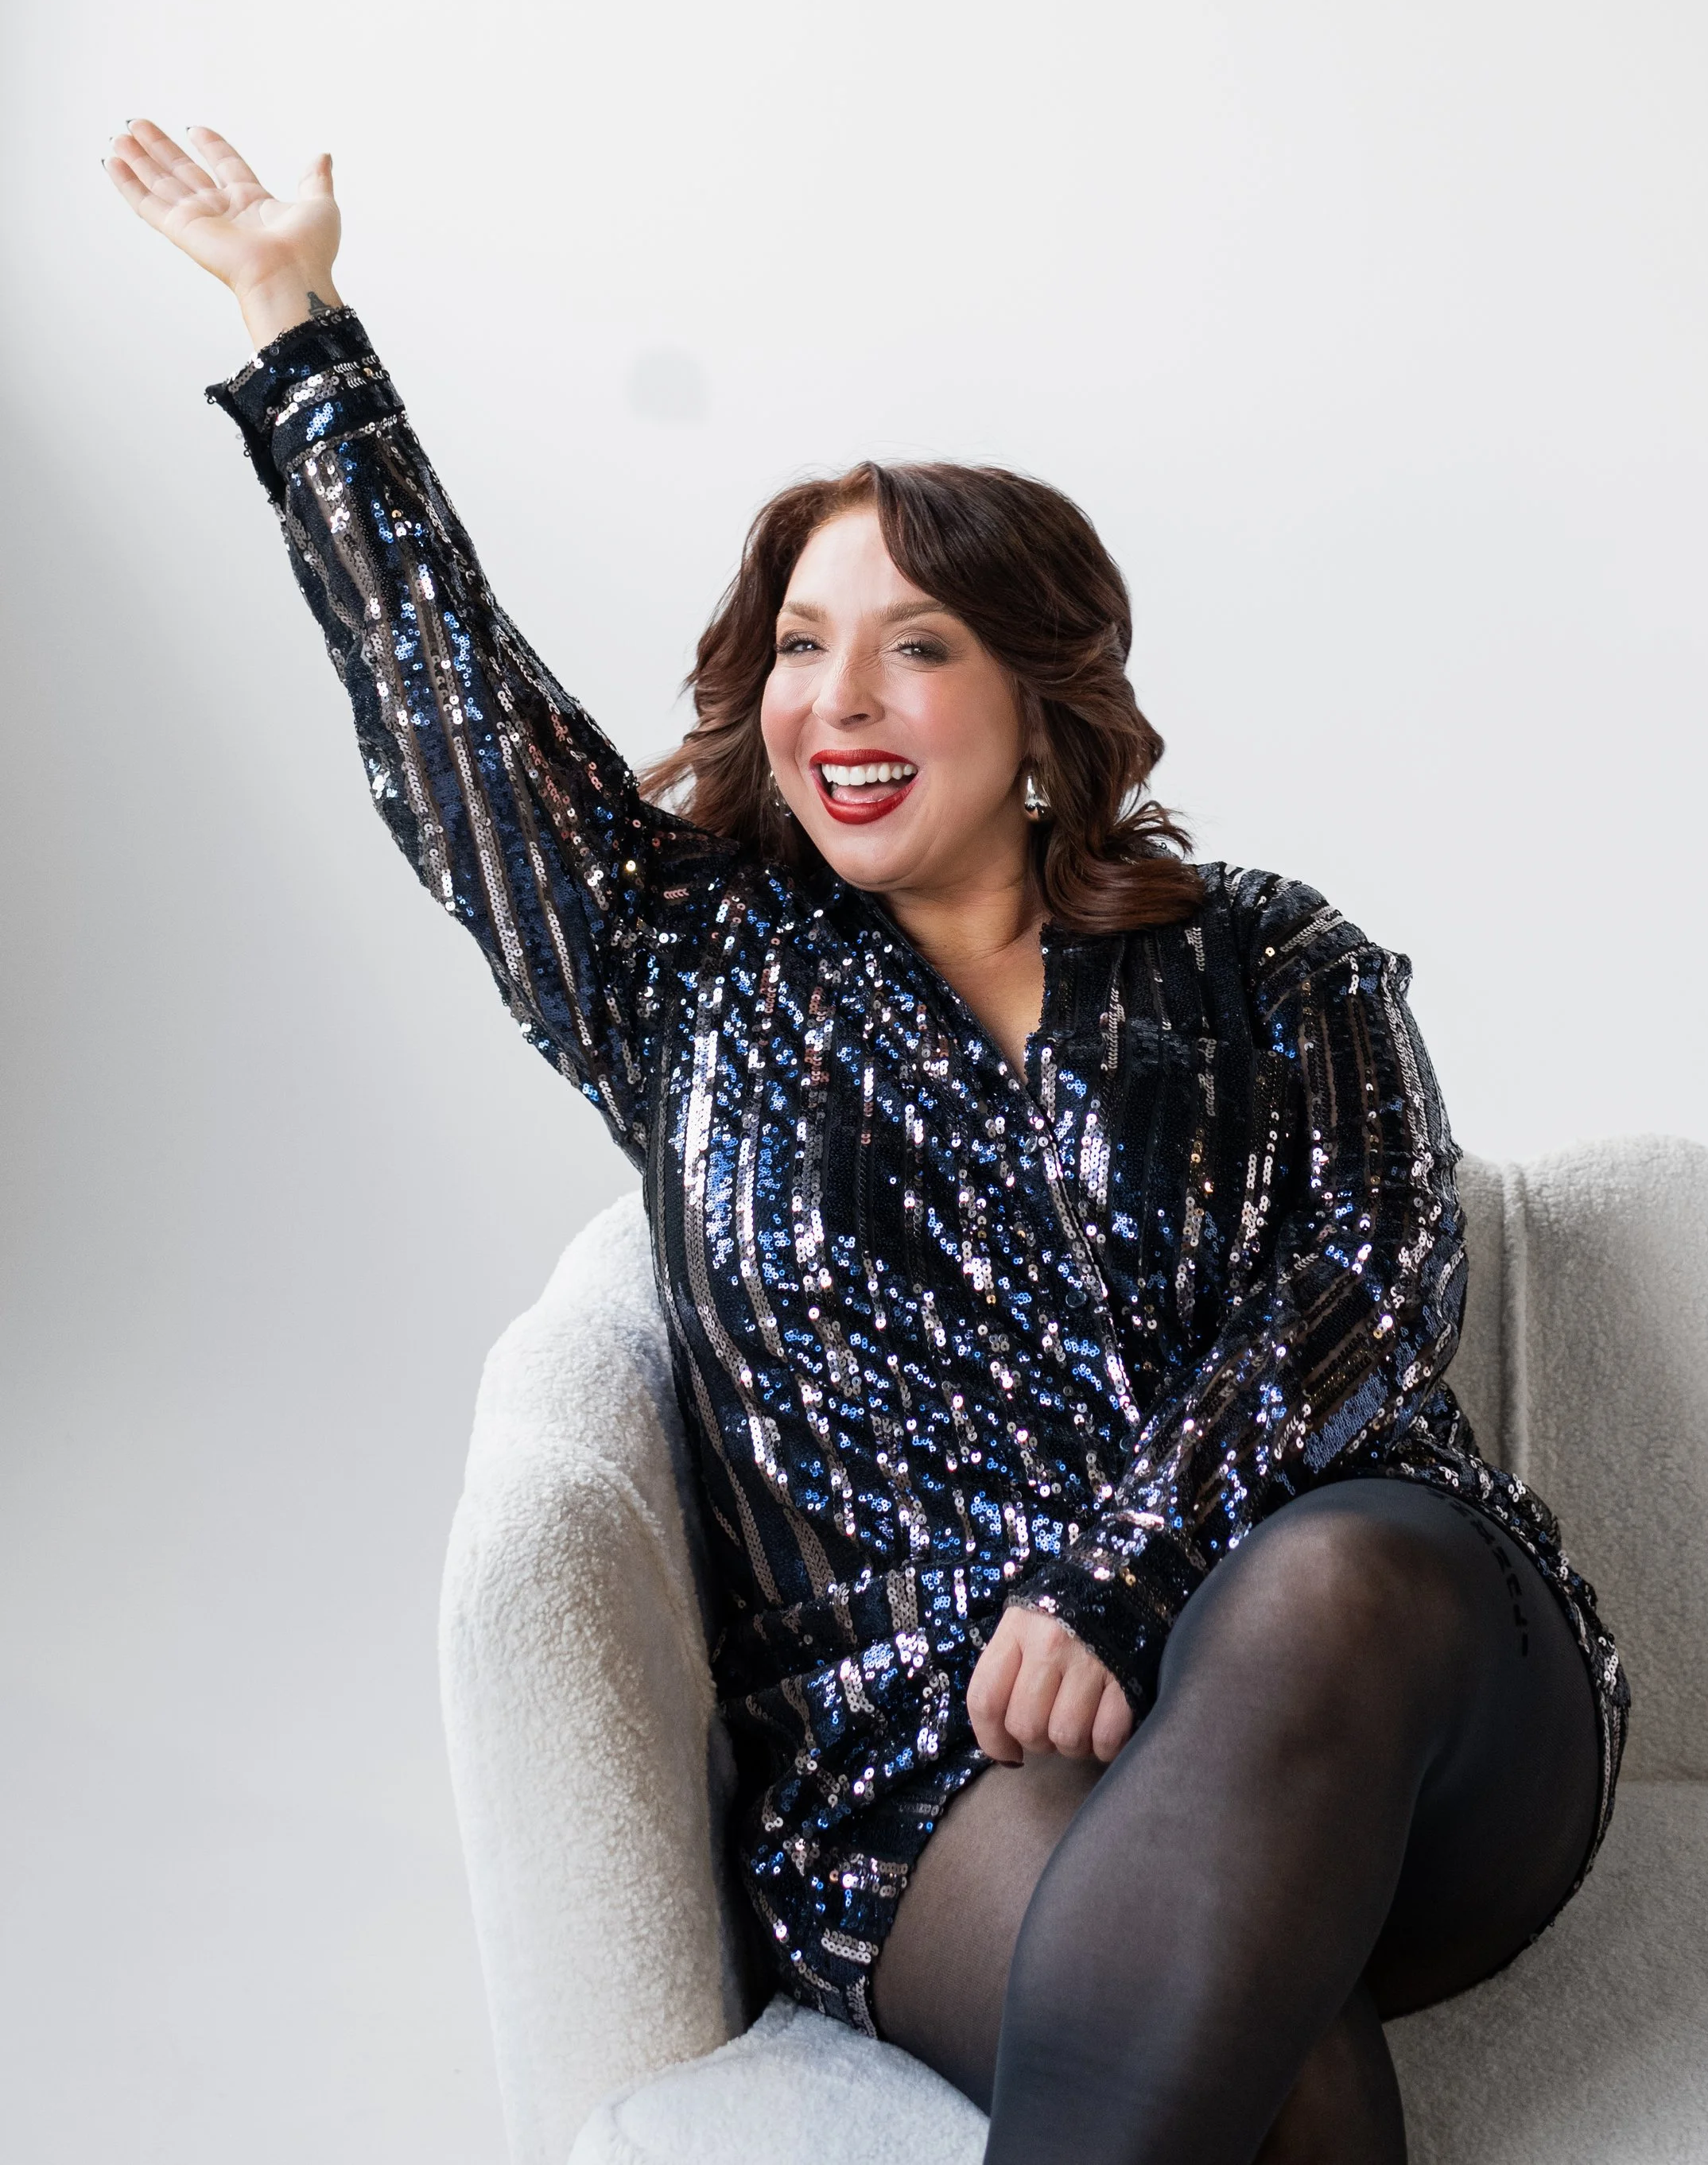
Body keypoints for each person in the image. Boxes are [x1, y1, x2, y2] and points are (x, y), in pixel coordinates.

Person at [104, 120, 1627, 2165]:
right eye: (801, 641)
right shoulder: (683, 969)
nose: (842, 691)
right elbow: (446, 698)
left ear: (1036, 696)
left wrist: (1121, 1575)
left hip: (1390, 1706)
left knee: (1336, 1575)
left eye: (915, 641)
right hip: (933, 1771)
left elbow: (1368, 1289)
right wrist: (295, 322)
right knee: (1262, 2078)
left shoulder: (1277, 960)